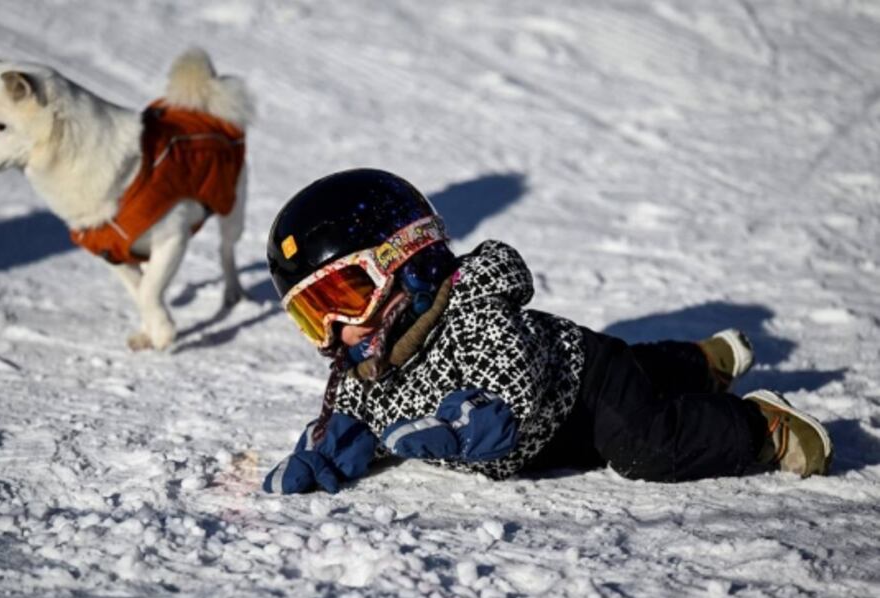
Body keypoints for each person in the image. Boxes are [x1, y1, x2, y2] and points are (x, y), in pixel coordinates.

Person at [261, 169, 833, 494]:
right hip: (553, 437)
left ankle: (761, 425)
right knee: (648, 372)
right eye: (314, 313)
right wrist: (332, 448)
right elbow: (356, 416)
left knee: (644, 444)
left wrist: (471, 425)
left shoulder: (475, 308)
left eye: (344, 297)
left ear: (408, 263)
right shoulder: (365, 365)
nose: (337, 329)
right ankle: (700, 362)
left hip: (581, 381)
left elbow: (511, 380)